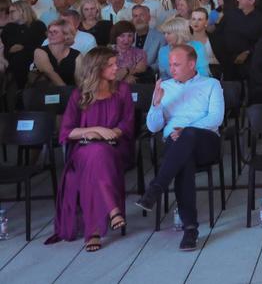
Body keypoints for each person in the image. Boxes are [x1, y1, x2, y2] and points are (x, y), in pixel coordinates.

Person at [136, 44, 225, 251]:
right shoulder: (165, 87)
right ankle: (190, 230)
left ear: (192, 64)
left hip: (206, 141)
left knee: (188, 136)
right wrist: (157, 104)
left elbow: (216, 118)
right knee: (184, 160)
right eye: (170, 64)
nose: (171, 69)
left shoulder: (211, 84)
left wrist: (186, 129)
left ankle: (156, 188)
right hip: (176, 145)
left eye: (177, 64)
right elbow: (153, 126)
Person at [45, 48, 135, 251]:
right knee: (94, 154)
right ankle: (113, 211)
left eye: (115, 63)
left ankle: (93, 231)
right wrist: (95, 130)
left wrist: (111, 133)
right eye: (110, 65)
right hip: (83, 149)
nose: (116, 68)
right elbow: (66, 132)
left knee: (98, 155)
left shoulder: (122, 90)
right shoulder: (79, 95)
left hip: (115, 148)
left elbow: (128, 124)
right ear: (97, 68)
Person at [33, 19, 81, 86]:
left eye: (55, 32)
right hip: (45, 93)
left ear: (66, 35)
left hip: (70, 92)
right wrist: (67, 93)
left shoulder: (77, 55)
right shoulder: (40, 51)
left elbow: (79, 81)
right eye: (50, 32)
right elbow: (50, 73)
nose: (51, 34)